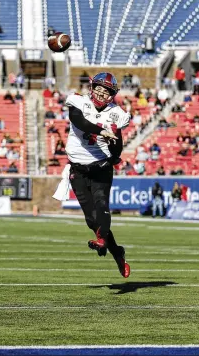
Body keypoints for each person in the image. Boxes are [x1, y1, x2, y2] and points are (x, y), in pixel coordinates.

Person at [64, 72, 131, 278]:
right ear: (92, 88)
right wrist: (102, 132)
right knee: (91, 220)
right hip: (78, 169)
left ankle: (103, 241)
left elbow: (118, 149)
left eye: (107, 90)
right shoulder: (78, 102)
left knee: (102, 205)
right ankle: (117, 252)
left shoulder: (117, 113)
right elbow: (78, 121)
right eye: (99, 88)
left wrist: (115, 145)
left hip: (101, 166)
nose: (102, 93)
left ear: (113, 94)